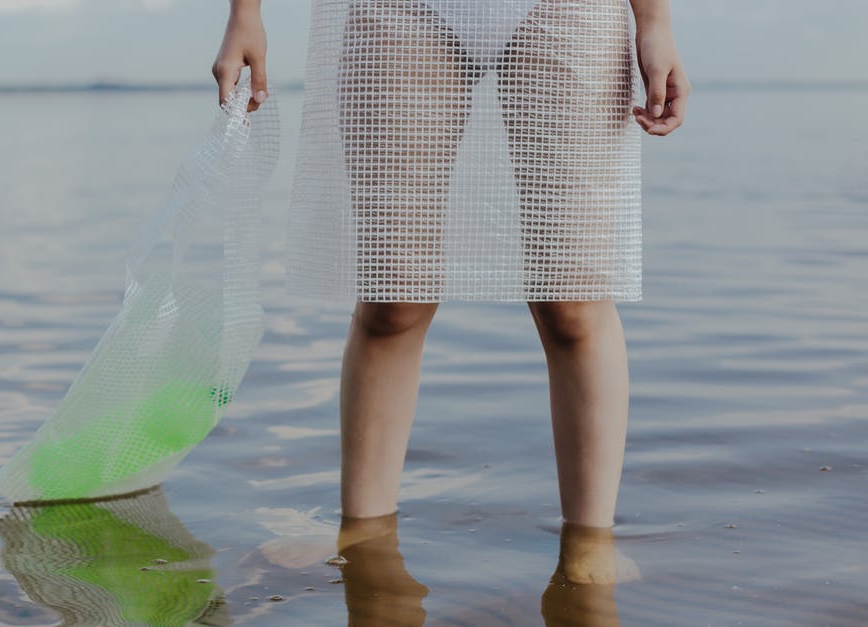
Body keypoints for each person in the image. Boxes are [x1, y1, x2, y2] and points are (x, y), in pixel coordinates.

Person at [212, 0, 689, 531]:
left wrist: (654, 23)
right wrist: (245, 13)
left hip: (567, 9)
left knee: (573, 301)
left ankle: (590, 545)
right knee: (392, 299)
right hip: (402, 10)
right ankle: (365, 540)